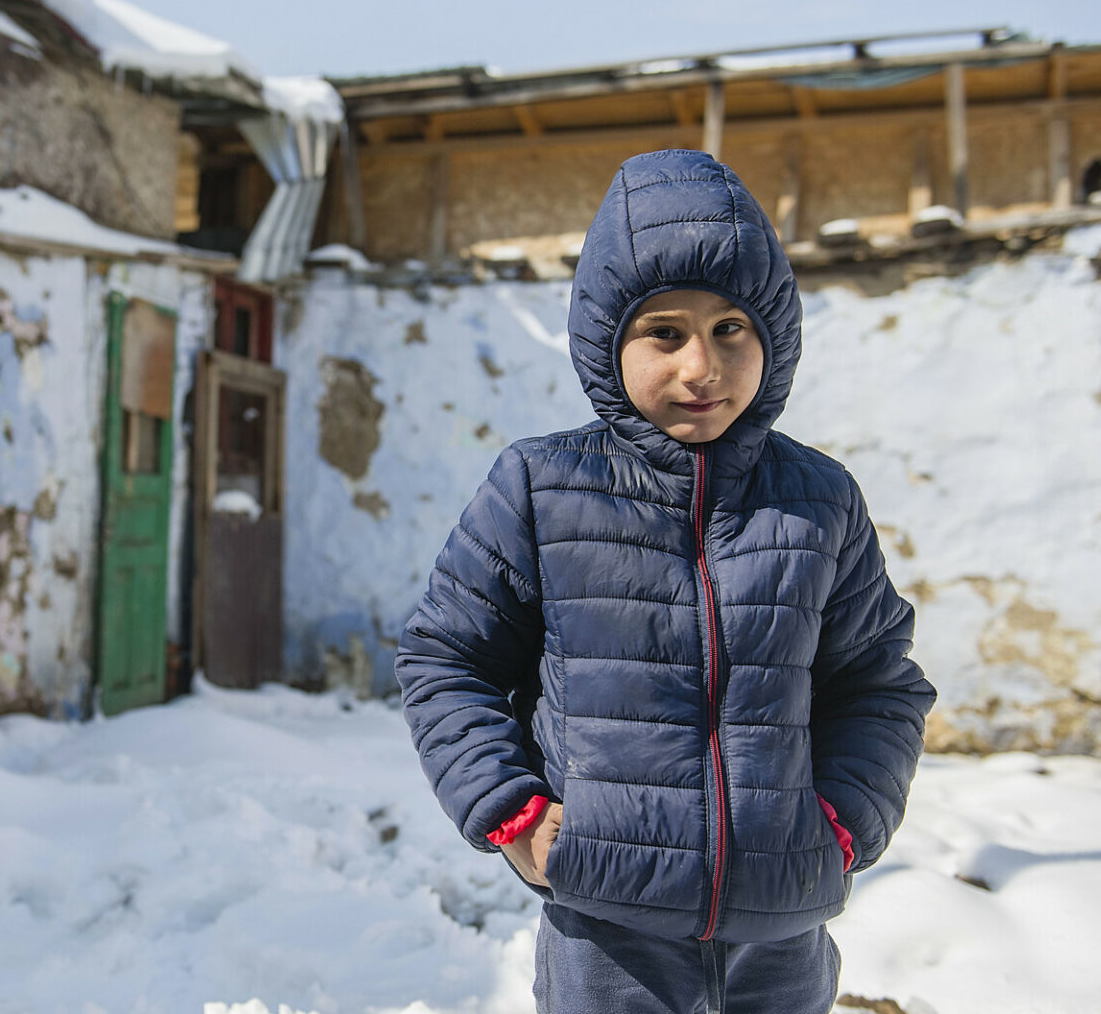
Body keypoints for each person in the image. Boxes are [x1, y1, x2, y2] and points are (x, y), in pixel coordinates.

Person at [396, 149, 936, 1013]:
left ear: (774, 339)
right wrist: (515, 815)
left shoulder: (819, 500)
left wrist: (842, 824)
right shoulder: (542, 489)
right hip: (609, 933)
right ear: (608, 341)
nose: (701, 368)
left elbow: (876, 681)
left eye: (731, 329)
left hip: (781, 933)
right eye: (665, 332)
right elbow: (445, 660)